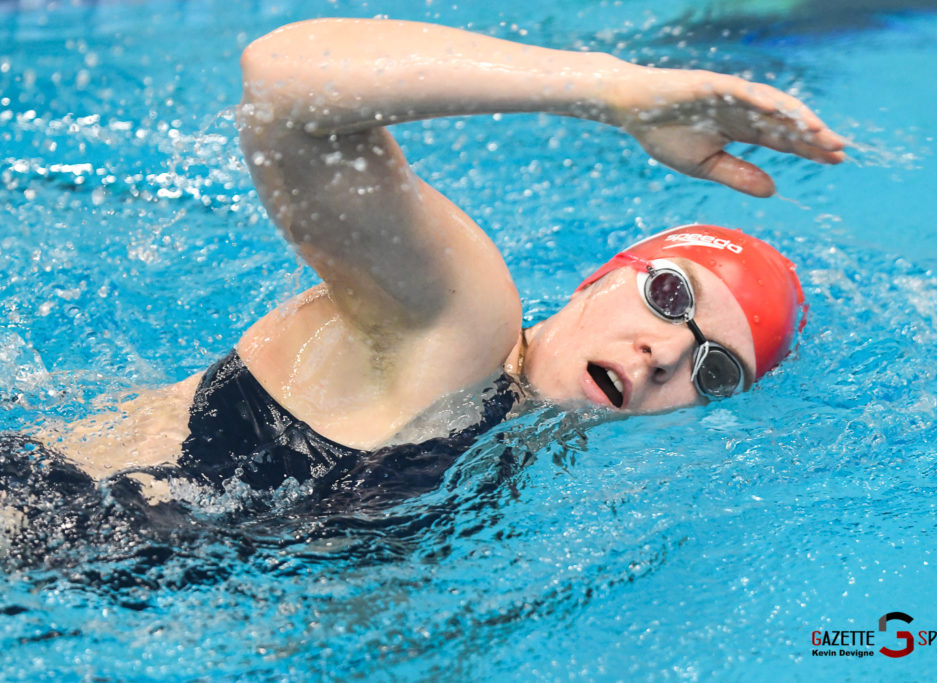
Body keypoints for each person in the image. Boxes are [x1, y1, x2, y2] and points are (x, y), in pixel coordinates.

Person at [10, 18, 843, 510]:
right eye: (669, 296)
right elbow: (285, 85)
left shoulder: (506, 447)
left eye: (715, 367)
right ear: (601, 279)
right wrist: (612, 90)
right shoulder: (464, 323)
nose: (666, 352)